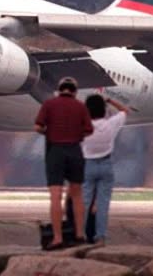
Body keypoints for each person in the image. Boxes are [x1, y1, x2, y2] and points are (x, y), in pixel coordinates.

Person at [34, 77, 93, 250]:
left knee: (55, 195)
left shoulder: (49, 105)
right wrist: (77, 135)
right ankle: (80, 235)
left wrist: (49, 132)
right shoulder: (80, 106)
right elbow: (89, 130)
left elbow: (37, 127)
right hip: (75, 150)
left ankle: (58, 237)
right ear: (74, 91)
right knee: (76, 195)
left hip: (56, 151)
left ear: (60, 89)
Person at [81, 94, 128, 245]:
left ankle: (79, 234)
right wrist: (110, 100)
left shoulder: (83, 126)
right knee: (103, 204)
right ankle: (100, 237)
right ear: (103, 109)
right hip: (106, 164)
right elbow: (125, 111)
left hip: (88, 164)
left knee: (84, 203)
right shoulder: (111, 124)